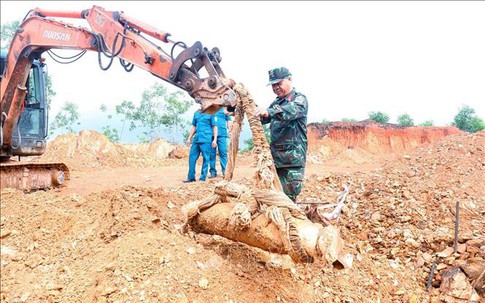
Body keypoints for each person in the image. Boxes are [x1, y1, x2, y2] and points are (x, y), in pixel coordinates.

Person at [254, 67, 308, 202]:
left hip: (292, 162)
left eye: (279, 83)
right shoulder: (277, 103)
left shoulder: (299, 99)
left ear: (289, 79)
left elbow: (291, 111)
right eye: (273, 85)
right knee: (274, 197)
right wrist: (248, 106)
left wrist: (269, 112)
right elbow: (264, 117)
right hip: (276, 161)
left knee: (287, 200)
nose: (276, 87)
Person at [183, 105, 218, 183]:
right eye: (201, 103)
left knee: (206, 158)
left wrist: (215, 139)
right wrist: (189, 138)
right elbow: (194, 126)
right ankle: (191, 177)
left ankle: (202, 178)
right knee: (192, 157)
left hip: (206, 138)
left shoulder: (212, 113)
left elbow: (215, 127)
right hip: (197, 138)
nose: (203, 104)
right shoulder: (196, 113)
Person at [209, 108, 233, 179]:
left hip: (222, 134)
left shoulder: (224, 109)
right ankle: (213, 172)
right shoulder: (210, 108)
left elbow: (229, 119)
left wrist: (230, 130)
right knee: (211, 154)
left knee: (223, 152)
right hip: (211, 134)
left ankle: (225, 171)